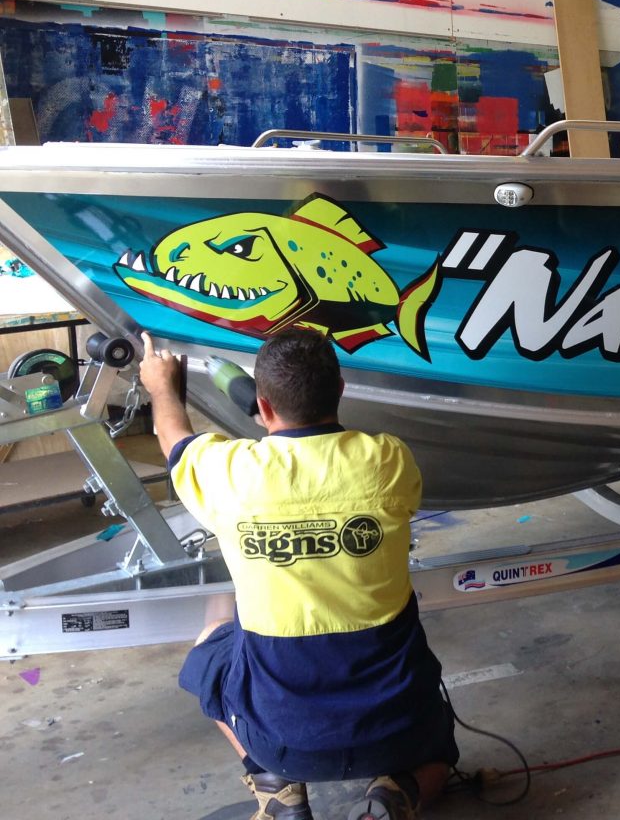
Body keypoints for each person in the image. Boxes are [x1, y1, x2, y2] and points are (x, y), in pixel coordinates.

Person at [139, 328, 458, 820]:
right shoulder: (388, 460)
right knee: (439, 750)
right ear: (341, 391)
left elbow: (174, 440)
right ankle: (399, 796)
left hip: (283, 743)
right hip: (397, 731)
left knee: (211, 640)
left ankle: (276, 788)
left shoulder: (230, 473)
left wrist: (162, 386)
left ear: (264, 406)